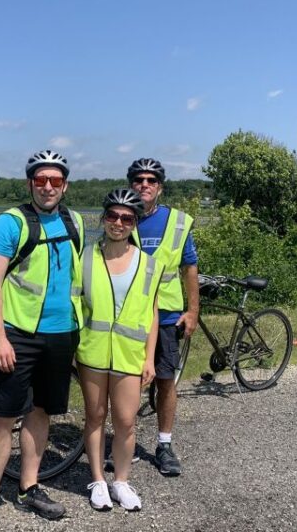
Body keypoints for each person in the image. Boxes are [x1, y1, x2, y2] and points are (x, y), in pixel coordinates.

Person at [0, 150, 85, 532]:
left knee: (41, 412)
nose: (48, 187)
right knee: (3, 416)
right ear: (30, 183)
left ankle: (28, 486)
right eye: (40, 180)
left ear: (65, 185)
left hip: (61, 333)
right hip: (18, 335)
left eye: (55, 181)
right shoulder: (9, 223)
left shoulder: (75, 221)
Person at [76, 188, 163, 512]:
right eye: (112, 215)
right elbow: (75, 304)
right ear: (104, 218)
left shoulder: (150, 264)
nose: (118, 222)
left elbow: (152, 314)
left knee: (126, 421)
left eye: (127, 218)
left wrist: (150, 357)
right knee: (95, 417)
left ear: (135, 223)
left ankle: (121, 481)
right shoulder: (85, 257)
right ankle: (98, 479)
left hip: (130, 354)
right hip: (93, 351)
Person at [127, 157, 199, 476]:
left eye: (151, 180)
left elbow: (189, 267)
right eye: (139, 180)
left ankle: (165, 445)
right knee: (128, 382)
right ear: (131, 184)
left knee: (166, 380)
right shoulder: (122, 218)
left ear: (160, 187)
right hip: (130, 316)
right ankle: (124, 445)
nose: (145, 184)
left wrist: (193, 310)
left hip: (168, 316)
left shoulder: (178, 222)